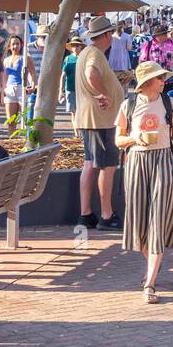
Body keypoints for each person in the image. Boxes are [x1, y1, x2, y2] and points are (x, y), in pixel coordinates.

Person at [115, 61, 173, 303]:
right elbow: (118, 140)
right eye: (159, 78)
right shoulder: (128, 105)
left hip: (162, 161)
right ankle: (153, 264)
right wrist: (134, 138)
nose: (163, 81)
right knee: (139, 222)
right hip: (137, 162)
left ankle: (149, 282)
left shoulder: (170, 104)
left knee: (159, 219)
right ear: (147, 82)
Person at [75, 16, 125, 231]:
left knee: (91, 164)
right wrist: (104, 94)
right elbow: (91, 73)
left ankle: (86, 213)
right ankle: (106, 214)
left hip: (94, 119)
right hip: (100, 120)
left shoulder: (88, 53)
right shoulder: (94, 54)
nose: (112, 37)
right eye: (110, 33)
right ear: (105, 35)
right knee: (107, 166)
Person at [0, 34, 37, 134]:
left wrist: (33, 87)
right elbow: (4, 77)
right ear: (9, 46)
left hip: (22, 88)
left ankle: (28, 140)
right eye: (13, 44)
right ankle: (12, 140)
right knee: (11, 120)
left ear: (21, 45)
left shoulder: (25, 58)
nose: (15, 46)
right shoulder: (6, 60)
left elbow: (33, 73)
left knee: (26, 118)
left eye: (17, 44)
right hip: (10, 90)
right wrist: (2, 93)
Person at [60, 36, 84, 113]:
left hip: (82, 89)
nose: (75, 47)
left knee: (82, 112)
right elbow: (63, 75)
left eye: (77, 45)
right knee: (73, 112)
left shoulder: (84, 58)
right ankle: (75, 125)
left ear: (81, 47)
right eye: (73, 45)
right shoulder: (67, 58)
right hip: (70, 88)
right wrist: (61, 91)